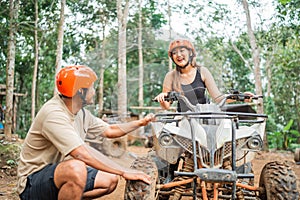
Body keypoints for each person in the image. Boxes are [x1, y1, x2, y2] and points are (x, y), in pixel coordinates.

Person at [17, 65, 155, 200]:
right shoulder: (54, 114)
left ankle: (69, 195)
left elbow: (110, 130)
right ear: (80, 91)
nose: (94, 92)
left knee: (110, 179)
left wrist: (140, 123)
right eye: (91, 88)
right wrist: (124, 171)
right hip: (32, 182)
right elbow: (81, 153)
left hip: (57, 174)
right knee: (77, 168)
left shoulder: (81, 113)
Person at [154, 39, 252, 111]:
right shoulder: (170, 76)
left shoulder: (202, 71)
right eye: (174, 53)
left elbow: (218, 98)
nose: (178, 55)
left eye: (182, 51)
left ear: (190, 53)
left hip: (205, 116)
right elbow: (166, 106)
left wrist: (241, 96)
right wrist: (162, 98)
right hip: (183, 120)